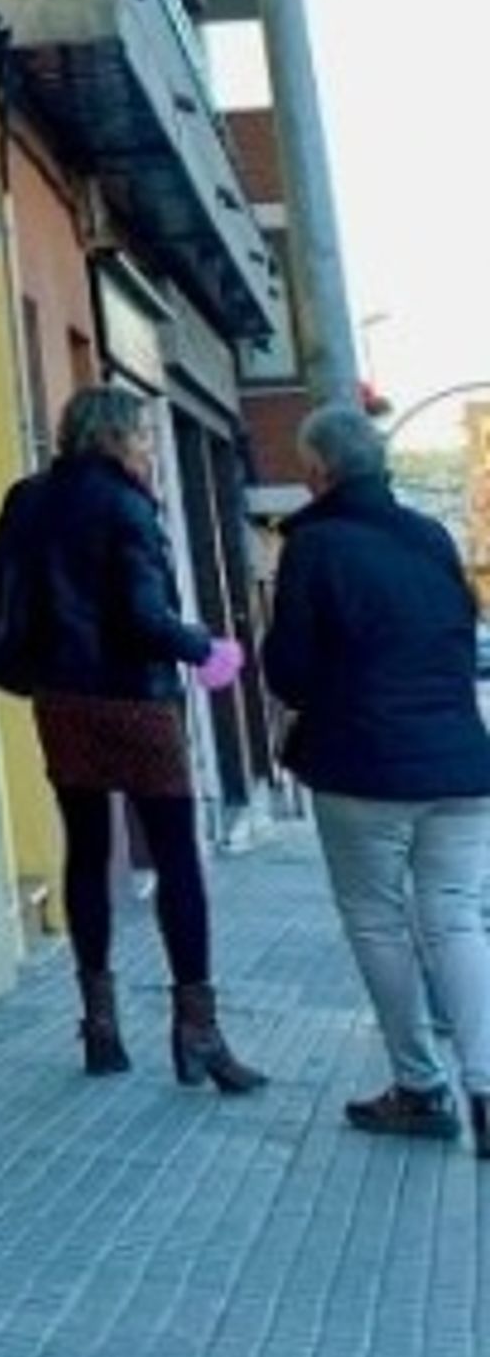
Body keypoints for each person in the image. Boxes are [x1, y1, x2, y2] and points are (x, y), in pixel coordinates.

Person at [15, 382, 264, 1092]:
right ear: (117, 437)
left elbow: (7, 597)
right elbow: (144, 615)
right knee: (176, 857)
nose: (152, 449)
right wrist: (207, 649)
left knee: (85, 852)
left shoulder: (29, 499)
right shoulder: (128, 505)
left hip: (61, 699)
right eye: (146, 437)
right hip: (134, 701)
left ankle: (99, 1026)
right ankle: (198, 1031)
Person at [262, 399, 490, 1152]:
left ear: (318, 470)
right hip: (462, 762)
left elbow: (290, 670)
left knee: (378, 920)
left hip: (363, 765)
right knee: (458, 919)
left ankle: (421, 1087)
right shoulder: (431, 536)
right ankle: (488, 1091)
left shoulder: (315, 546)